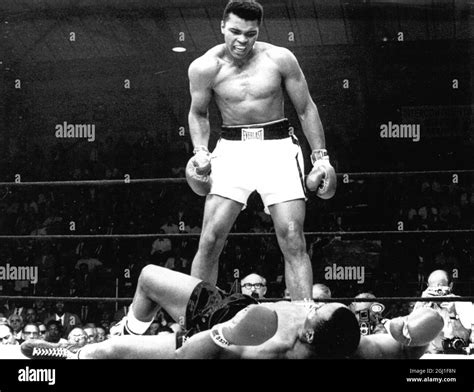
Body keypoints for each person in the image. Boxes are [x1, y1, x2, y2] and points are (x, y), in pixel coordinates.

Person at [185, 0, 336, 301]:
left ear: (258, 31)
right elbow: (198, 113)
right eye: (236, 32)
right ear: (222, 27)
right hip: (231, 150)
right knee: (211, 238)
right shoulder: (204, 67)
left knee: (293, 236)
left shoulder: (280, 58)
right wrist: (200, 150)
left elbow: (305, 108)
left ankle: (301, 319)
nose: (242, 40)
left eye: (250, 34)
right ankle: (196, 322)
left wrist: (321, 158)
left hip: (277, 149)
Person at [22, 265, 443, 360]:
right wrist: (412, 326)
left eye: (315, 310)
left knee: (109, 355)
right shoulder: (357, 344)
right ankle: (117, 333)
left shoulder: (272, 348)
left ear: (309, 336)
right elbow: (427, 332)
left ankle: (74, 355)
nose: (310, 303)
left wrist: (226, 333)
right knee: (149, 277)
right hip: (236, 309)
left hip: (221, 332)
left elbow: (188, 357)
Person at [413, 269, 473, 354]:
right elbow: (411, 335)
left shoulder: (463, 304)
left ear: (450, 286)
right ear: (427, 286)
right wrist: (421, 303)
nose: (437, 291)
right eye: (433, 287)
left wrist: (453, 314)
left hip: (456, 355)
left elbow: (466, 337)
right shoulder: (422, 304)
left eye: (441, 287)